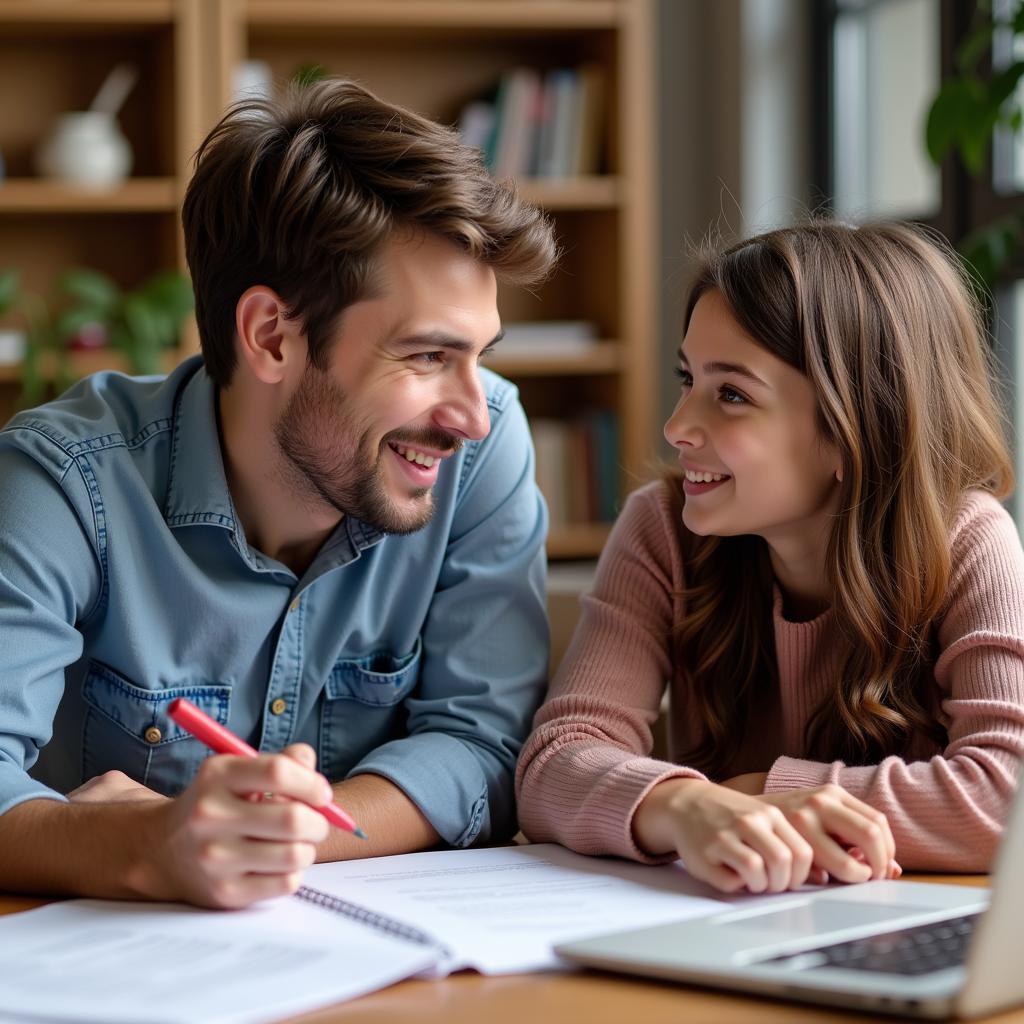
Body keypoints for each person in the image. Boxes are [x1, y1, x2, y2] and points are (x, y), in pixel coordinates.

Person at [0, 79, 556, 908]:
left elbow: (482, 742)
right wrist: (146, 845)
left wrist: (273, 837)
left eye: (481, 354)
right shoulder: (63, 480)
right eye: (428, 357)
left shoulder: (481, 451)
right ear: (271, 337)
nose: (473, 414)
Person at [516, 221, 1024, 895]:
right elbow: (553, 763)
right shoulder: (662, 528)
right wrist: (690, 806)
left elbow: (1007, 797)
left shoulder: (967, 540)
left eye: (731, 394)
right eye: (687, 378)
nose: (676, 427)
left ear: (853, 430)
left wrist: (764, 789)